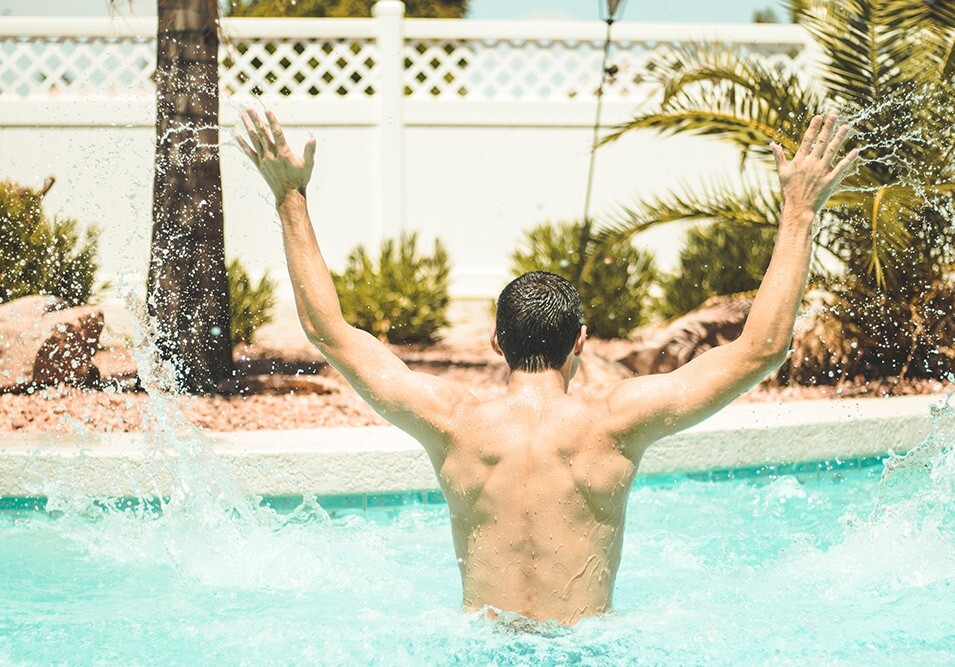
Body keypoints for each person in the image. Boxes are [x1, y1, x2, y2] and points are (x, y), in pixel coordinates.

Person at [237, 110, 859, 627]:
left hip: (482, 653)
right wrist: (801, 209)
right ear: (581, 341)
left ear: (494, 341)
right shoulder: (618, 421)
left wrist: (290, 194)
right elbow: (763, 347)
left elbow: (330, 333)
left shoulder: (452, 422)